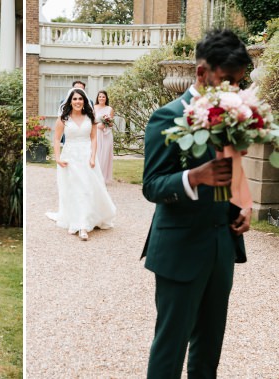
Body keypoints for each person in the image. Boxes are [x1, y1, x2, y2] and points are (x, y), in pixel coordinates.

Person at [141, 29, 250, 378]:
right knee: (170, 347)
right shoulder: (167, 116)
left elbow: (230, 173)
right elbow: (152, 185)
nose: (234, 90)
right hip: (180, 248)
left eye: (239, 83)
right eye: (227, 80)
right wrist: (194, 177)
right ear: (202, 73)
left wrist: (240, 208)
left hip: (221, 248)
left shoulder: (231, 116)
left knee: (209, 349)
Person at [45, 88, 116, 241]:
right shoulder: (63, 119)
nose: (78, 102)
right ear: (70, 101)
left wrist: (92, 156)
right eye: (75, 99)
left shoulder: (90, 118)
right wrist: (57, 158)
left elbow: (93, 139)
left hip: (86, 156)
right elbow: (57, 139)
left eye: (80, 99)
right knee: (73, 190)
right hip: (69, 157)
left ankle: (83, 225)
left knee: (87, 189)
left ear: (84, 101)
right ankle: (76, 220)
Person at [94, 90, 115, 184]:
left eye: (103, 97)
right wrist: (98, 125)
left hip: (106, 134)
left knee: (105, 155)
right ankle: (95, 176)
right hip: (96, 133)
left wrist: (105, 123)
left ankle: (103, 177)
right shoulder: (93, 108)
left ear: (106, 98)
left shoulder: (109, 109)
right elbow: (90, 121)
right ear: (97, 98)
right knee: (96, 154)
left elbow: (111, 124)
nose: (101, 98)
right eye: (100, 96)